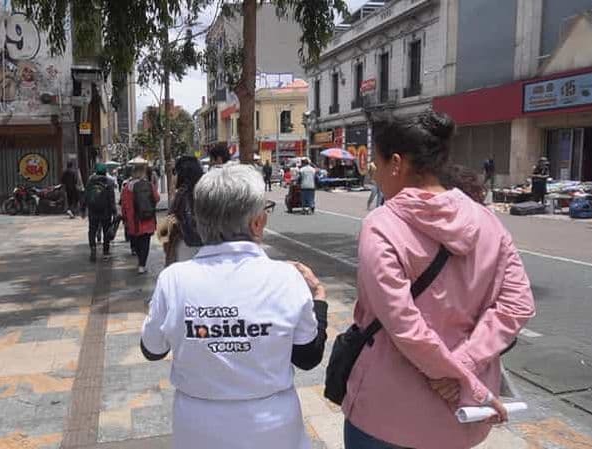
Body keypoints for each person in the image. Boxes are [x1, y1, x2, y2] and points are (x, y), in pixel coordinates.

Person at [340, 111, 535, 449]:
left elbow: (403, 323)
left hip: (385, 410)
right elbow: (518, 304)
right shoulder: (488, 221)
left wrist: (452, 374)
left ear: (396, 163)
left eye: (376, 165)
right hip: (459, 415)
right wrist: (466, 366)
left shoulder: (381, 225)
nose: (376, 176)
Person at [140, 164, 328, 449]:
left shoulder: (174, 279)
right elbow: (308, 357)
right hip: (272, 428)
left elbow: (152, 349)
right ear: (257, 223)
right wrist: (319, 301)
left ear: (200, 221)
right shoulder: (287, 278)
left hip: (198, 430)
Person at [160, 156, 204, 266]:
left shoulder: (182, 194)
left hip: (184, 246)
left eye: (175, 172)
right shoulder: (205, 191)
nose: (173, 176)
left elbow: (164, 229)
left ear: (182, 173)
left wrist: (166, 247)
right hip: (206, 247)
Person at [121, 163, 160, 274]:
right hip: (147, 218)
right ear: (143, 173)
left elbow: (123, 204)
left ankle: (140, 262)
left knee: (137, 242)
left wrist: (125, 217)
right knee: (145, 242)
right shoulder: (148, 185)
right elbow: (157, 198)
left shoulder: (127, 187)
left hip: (133, 220)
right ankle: (142, 265)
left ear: (133, 173)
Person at [84, 163, 116, 262]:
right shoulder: (109, 182)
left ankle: (93, 247)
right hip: (106, 212)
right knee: (106, 231)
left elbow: (86, 196)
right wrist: (114, 211)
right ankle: (105, 252)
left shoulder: (90, 181)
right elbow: (111, 199)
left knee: (92, 230)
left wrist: (83, 208)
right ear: (105, 171)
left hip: (93, 211)